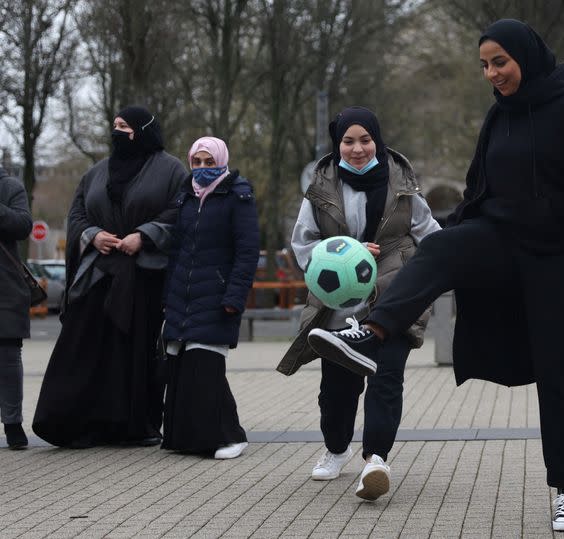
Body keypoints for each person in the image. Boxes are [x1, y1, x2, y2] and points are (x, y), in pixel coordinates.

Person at [307, 20, 564, 531]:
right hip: (501, 240)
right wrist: (446, 233)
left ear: (526, 56)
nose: (491, 73)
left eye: (499, 62)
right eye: (484, 65)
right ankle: (373, 333)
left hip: (560, 260)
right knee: (440, 246)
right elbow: (479, 192)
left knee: (557, 372)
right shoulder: (498, 118)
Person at [278, 106, 440, 500]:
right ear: (337, 145)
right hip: (339, 303)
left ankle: (376, 460)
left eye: (365, 140)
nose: (357, 149)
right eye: (348, 141)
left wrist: (422, 272)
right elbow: (303, 243)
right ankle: (336, 449)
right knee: (336, 388)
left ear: (377, 140)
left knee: (387, 380)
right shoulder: (320, 187)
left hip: (394, 297)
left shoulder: (402, 183)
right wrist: (345, 251)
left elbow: (430, 234)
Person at [33, 106, 186, 448]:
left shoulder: (171, 169)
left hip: (143, 277)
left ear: (143, 130)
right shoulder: (95, 173)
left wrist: (144, 235)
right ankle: (72, 422)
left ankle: (132, 426)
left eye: (125, 127)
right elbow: (76, 215)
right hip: (98, 275)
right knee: (81, 346)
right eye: (115, 126)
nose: (118, 132)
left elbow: (181, 211)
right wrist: (93, 235)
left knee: (133, 353)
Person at [161, 136, 258, 460]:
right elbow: (176, 251)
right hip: (182, 298)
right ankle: (185, 438)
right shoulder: (185, 197)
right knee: (182, 370)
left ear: (222, 161)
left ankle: (230, 436)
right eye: (197, 162)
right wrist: (167, 295)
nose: (203, 168)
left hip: (217, 297)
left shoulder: (238, 195)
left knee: (206, 370)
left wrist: (233, 296)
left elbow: (246, 253)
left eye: (209, 162)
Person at [0, 166, 33, 449]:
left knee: (8, 356)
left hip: (5, 287)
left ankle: (12, 423)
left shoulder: (10, 186)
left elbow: (23, 226)